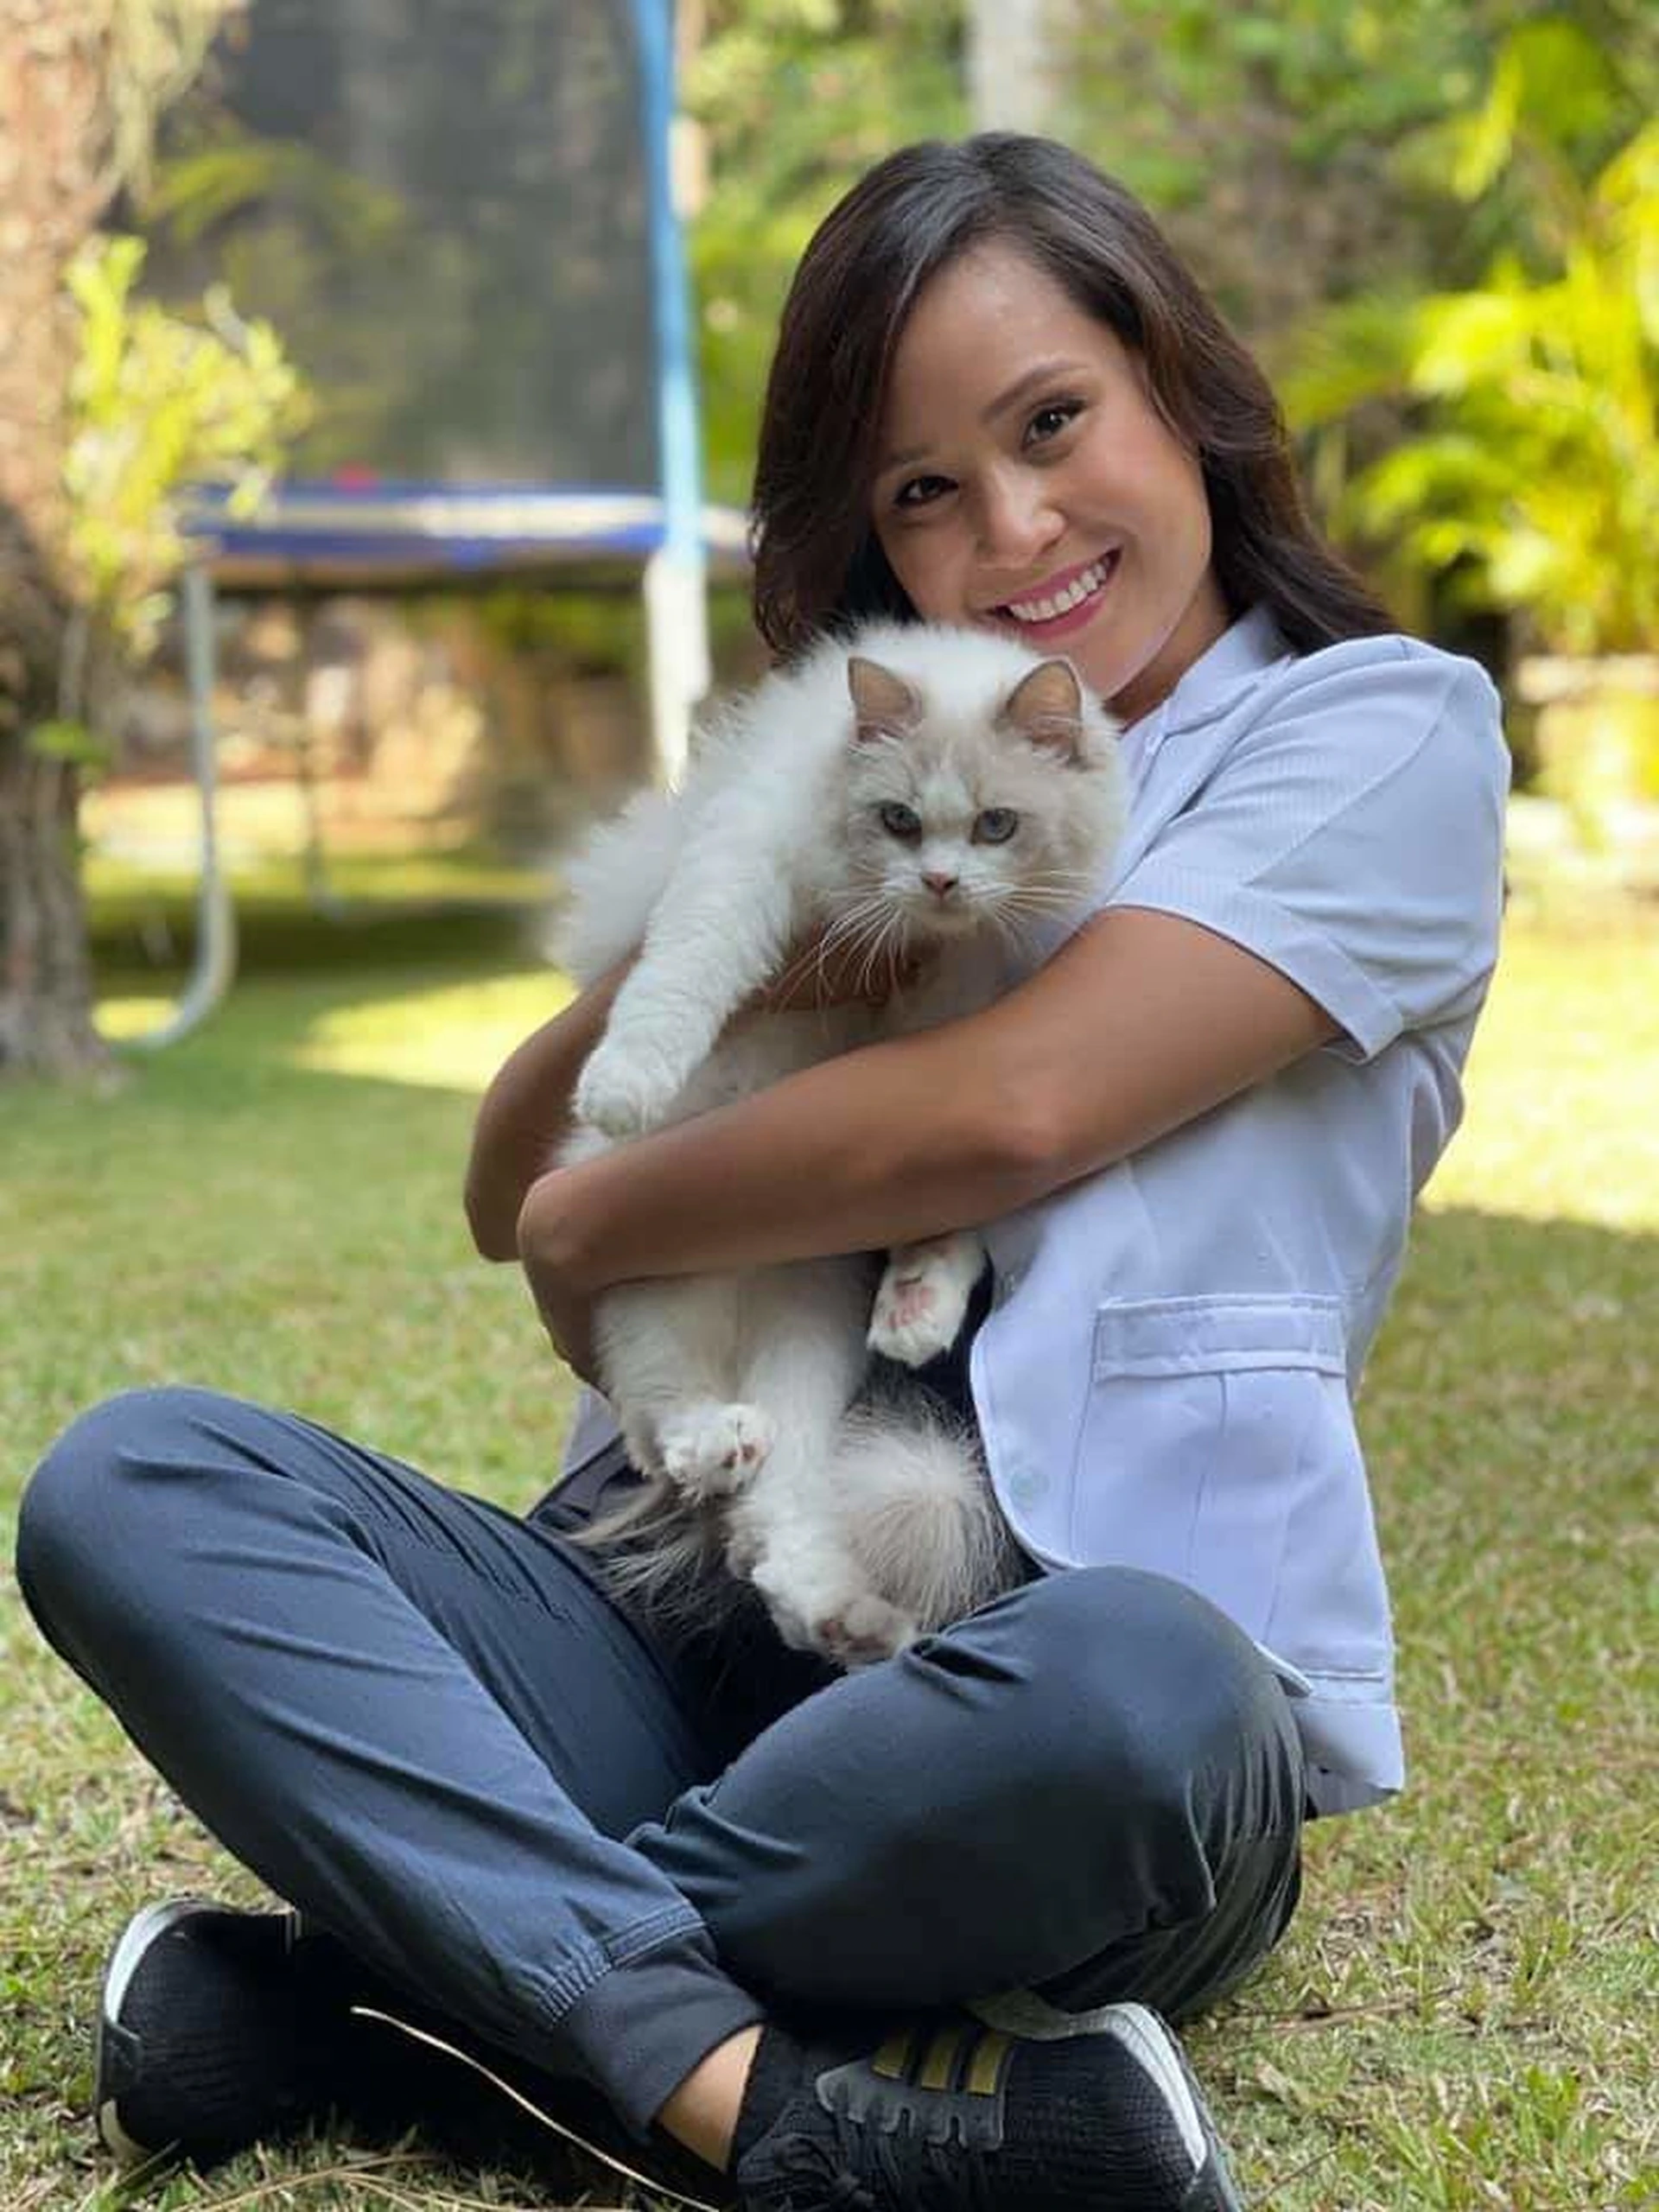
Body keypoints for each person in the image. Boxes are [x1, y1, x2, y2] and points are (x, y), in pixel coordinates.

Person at [16, 134, 1509, 2212]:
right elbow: (508, 1173)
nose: (1013, 529)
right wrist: (692, 997)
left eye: (1054, 423)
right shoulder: (869, 767)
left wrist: (603, 1217)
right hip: (676, 1614)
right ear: (864, 535)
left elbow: (1013, 1110)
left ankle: (407, 1992)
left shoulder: (1376, 738)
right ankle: (772, 2110)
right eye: (921, 488)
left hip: (1030, 1689)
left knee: (1152, 1686)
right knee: (136, 1480)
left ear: (1187, 392)